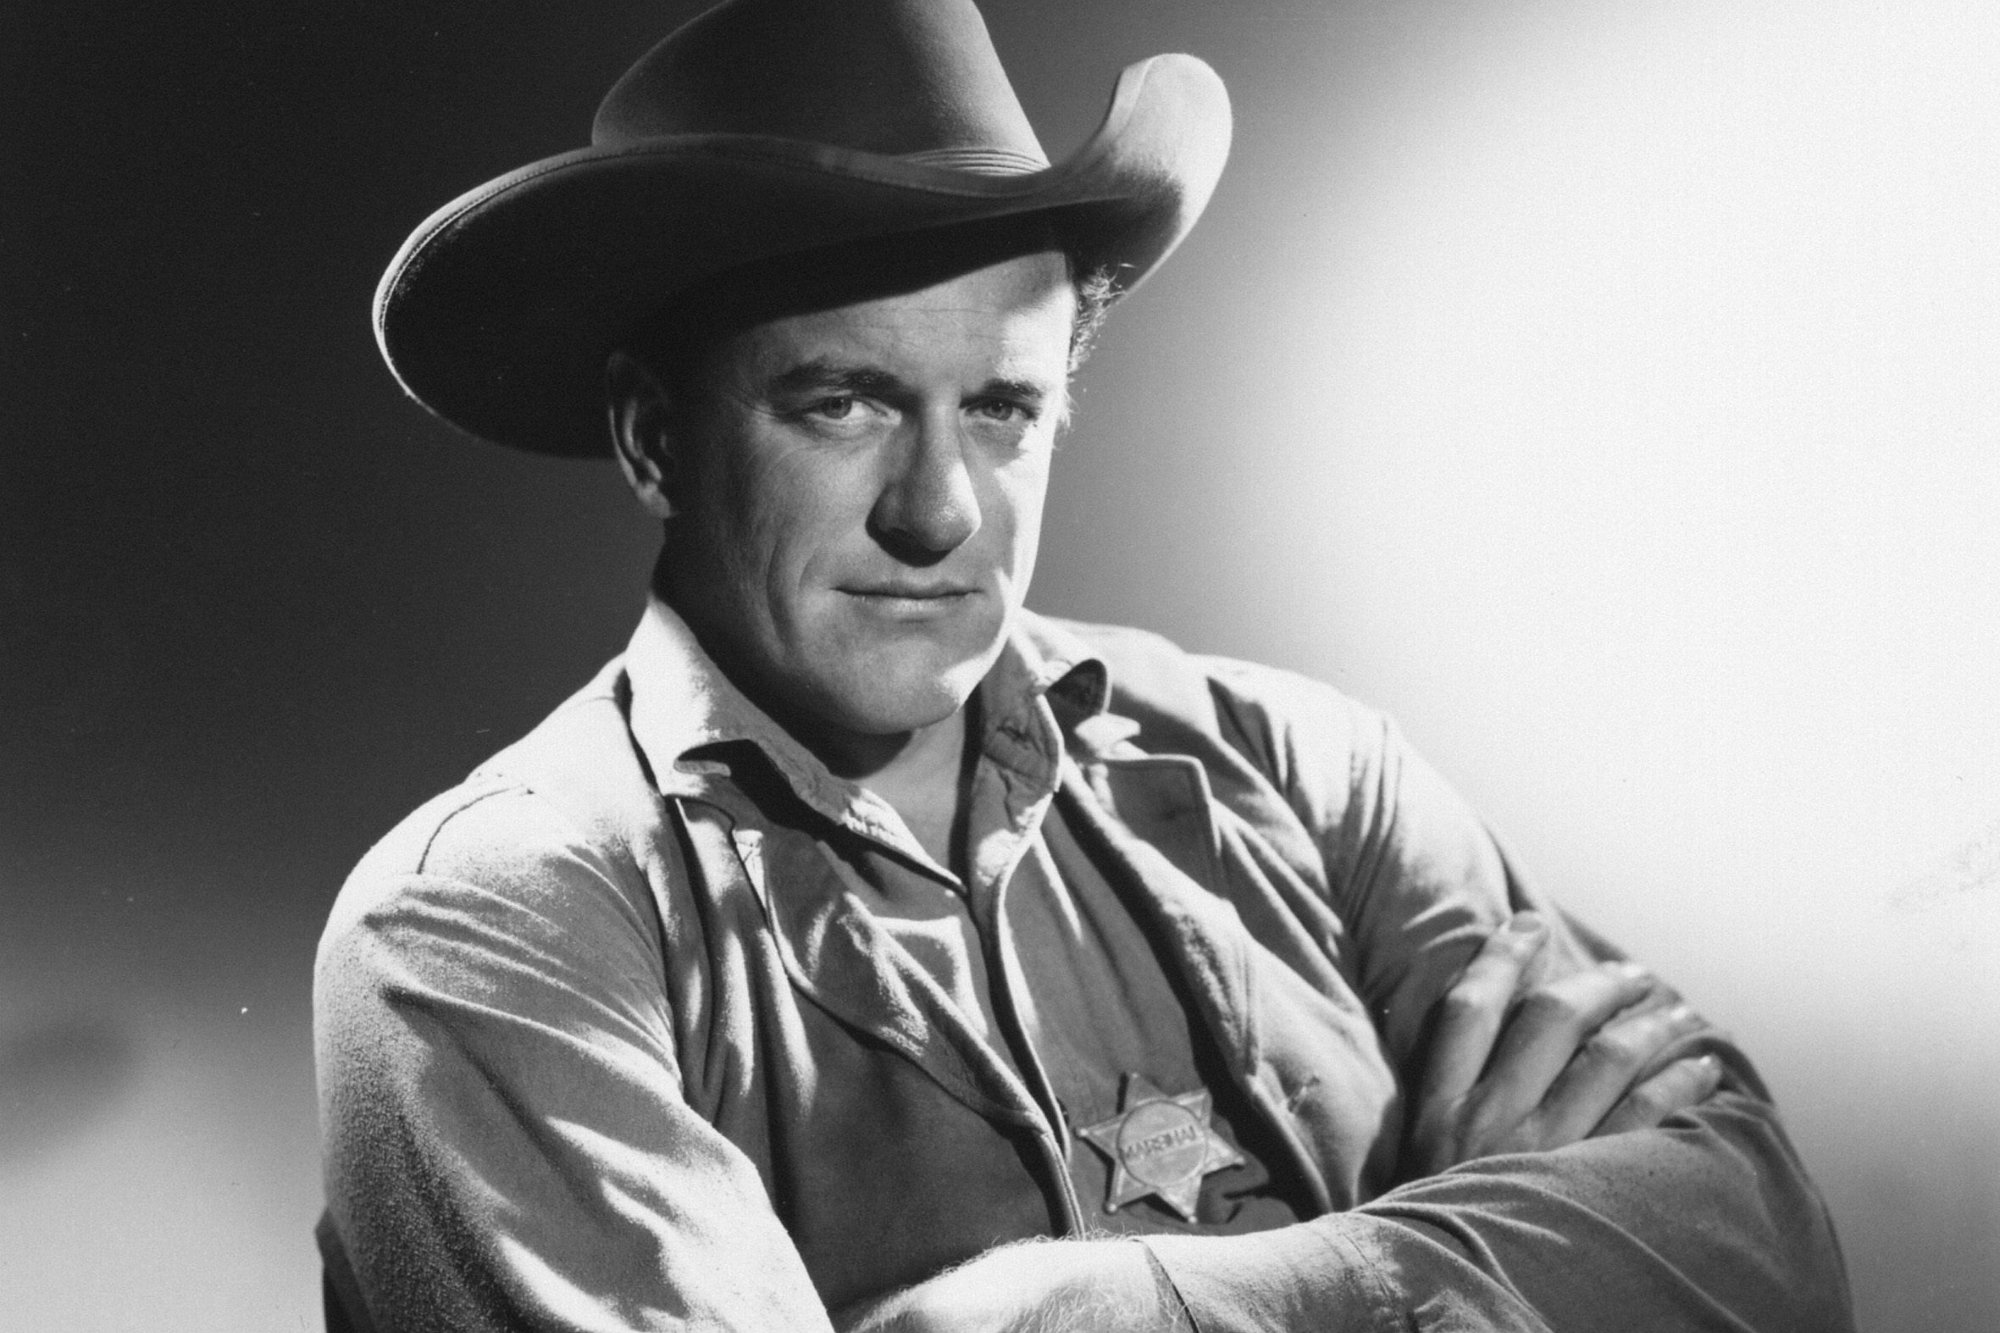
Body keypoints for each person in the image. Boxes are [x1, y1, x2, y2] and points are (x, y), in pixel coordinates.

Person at [314, 2, 1854, 1330]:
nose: (940, 511)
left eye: (1001, 408)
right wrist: (1476, 1248)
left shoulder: (1300, 769)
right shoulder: (488, 929)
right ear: (658, 438)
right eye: (842, 403)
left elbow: (1764, 1245)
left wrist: (1097, 1307)